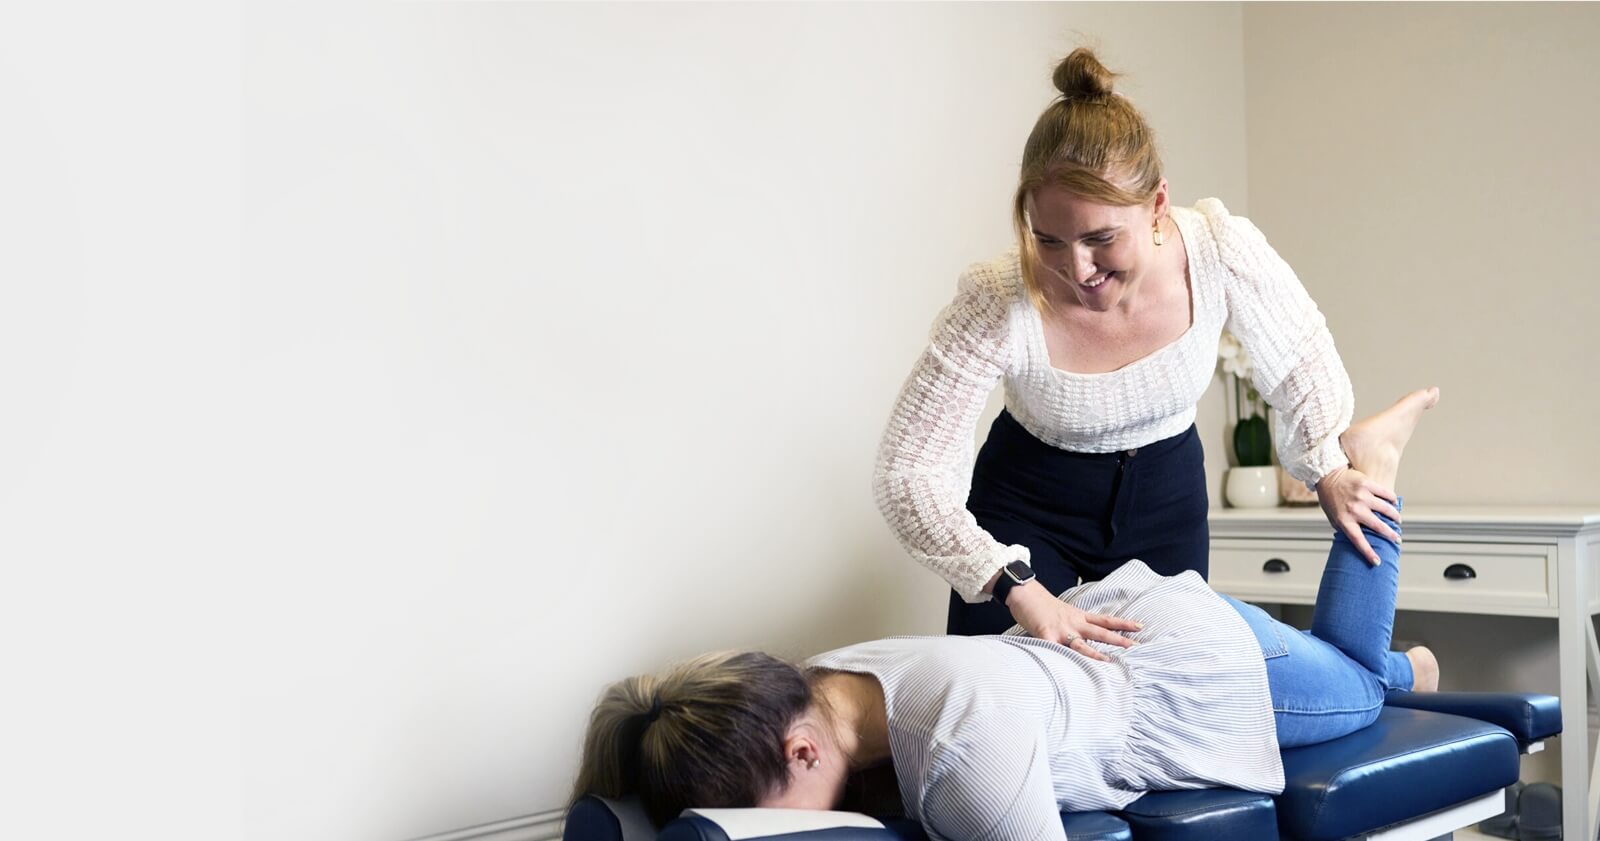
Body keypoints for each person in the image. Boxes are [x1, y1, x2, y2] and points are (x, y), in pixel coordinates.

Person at [574, 389, 1444, 837]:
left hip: (1190, 671)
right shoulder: (826, 680)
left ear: (800, 750)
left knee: (1359, 688)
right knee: (1357, 669)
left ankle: (1374, 468)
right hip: (1112, 627)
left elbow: (974, 753)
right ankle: (1416, 670)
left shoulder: (962, 752)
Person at [872, 48, 1400, 645]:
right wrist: (1012, 582)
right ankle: (1409, 673)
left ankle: (1407, 671)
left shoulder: (1218, 252)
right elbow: (908, 470)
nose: (1076, 268)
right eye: (1048, 240)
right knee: (1006, 696)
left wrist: (1326, 466)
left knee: (1167, 698)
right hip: (1027, 500)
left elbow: (1299, 353)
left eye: (1100, 238)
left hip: (1164, 493)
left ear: (1156, 206)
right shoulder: (999, 300)